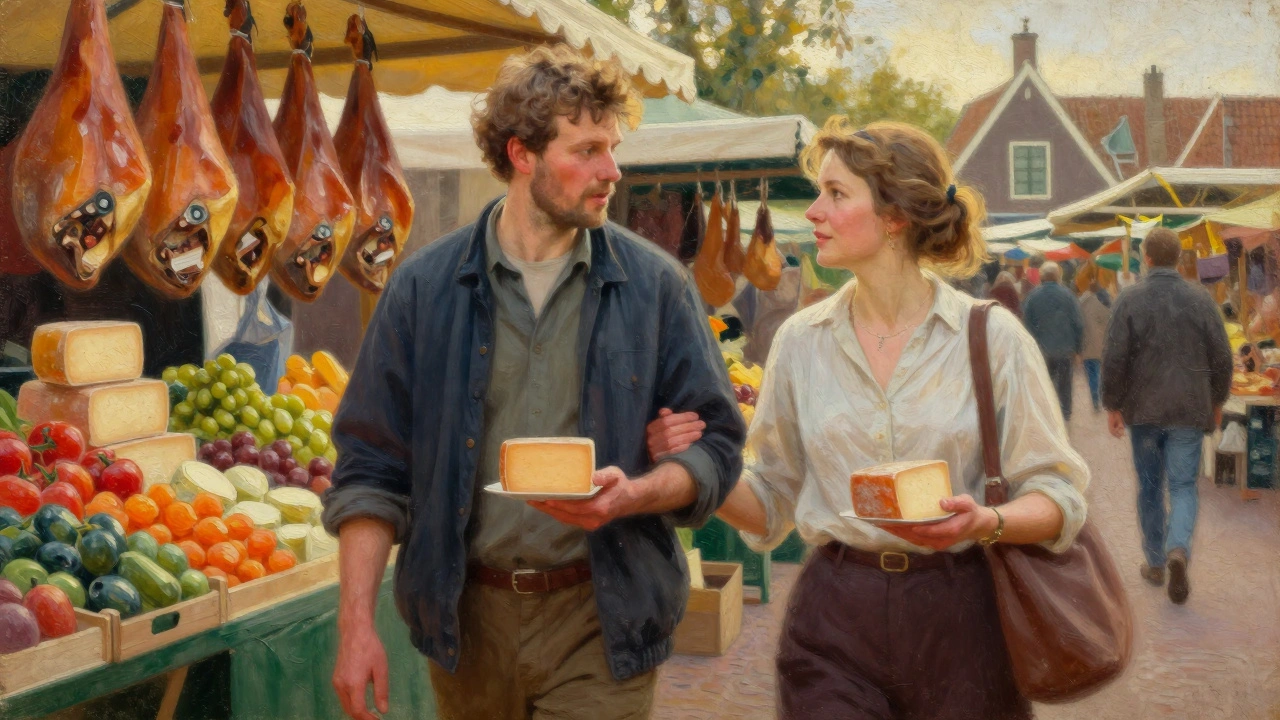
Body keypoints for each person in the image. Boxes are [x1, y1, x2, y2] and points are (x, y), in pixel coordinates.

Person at [323, 45, 746, 720]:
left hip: (600, 618)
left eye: (613, 147)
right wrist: (355, 627)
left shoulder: (657, 285)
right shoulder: (423, 289)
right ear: (522, 155)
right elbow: (371, 468)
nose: (611, 171)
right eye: (586, 150)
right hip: (466, 624)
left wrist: (634, 494)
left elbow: (718, 447)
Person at [647, 118, 1089, 720]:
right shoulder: (801, 340)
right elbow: (773, 499)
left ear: (894, 216)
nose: (814, 214)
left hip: (963, 616)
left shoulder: (991, 337)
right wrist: (696, 466)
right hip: (833, 619)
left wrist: (984, 521)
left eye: (836, 194)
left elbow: (1058, 494)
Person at [1101, 227, 1233, 605]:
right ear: (1179, 259)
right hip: (1190, 409)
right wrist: (1218, 399)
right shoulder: (1201, 299)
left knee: (1149, 487)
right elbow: (1222, 356)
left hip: (1143, 411)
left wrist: (1113, 404)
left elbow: (1114, 357)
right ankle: (1178, 550)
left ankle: (1156, 562)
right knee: (1183, 486)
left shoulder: (1130, 299)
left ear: (1147, 258)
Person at [1022, 261, 1084, 421]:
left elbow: (1026, 325)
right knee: (1065, 384)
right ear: (1058, 277)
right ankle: (1065, 414)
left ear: (1041, 277)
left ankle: (1046, 413)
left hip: (1042, 351)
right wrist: (1078, 349)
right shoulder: (1068, 296)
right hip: (1065, 349)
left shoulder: (1033, 297)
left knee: (1044, 383)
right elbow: (1078, 323)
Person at [1079, 281, 1112, 412]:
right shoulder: (1100, 305)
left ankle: (1095, 398)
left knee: (1091, 372)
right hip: (1099, 345)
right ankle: (1098, 397)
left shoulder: (1080, 303)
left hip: (1085, 345)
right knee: (1097, 371)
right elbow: (1109, 321)